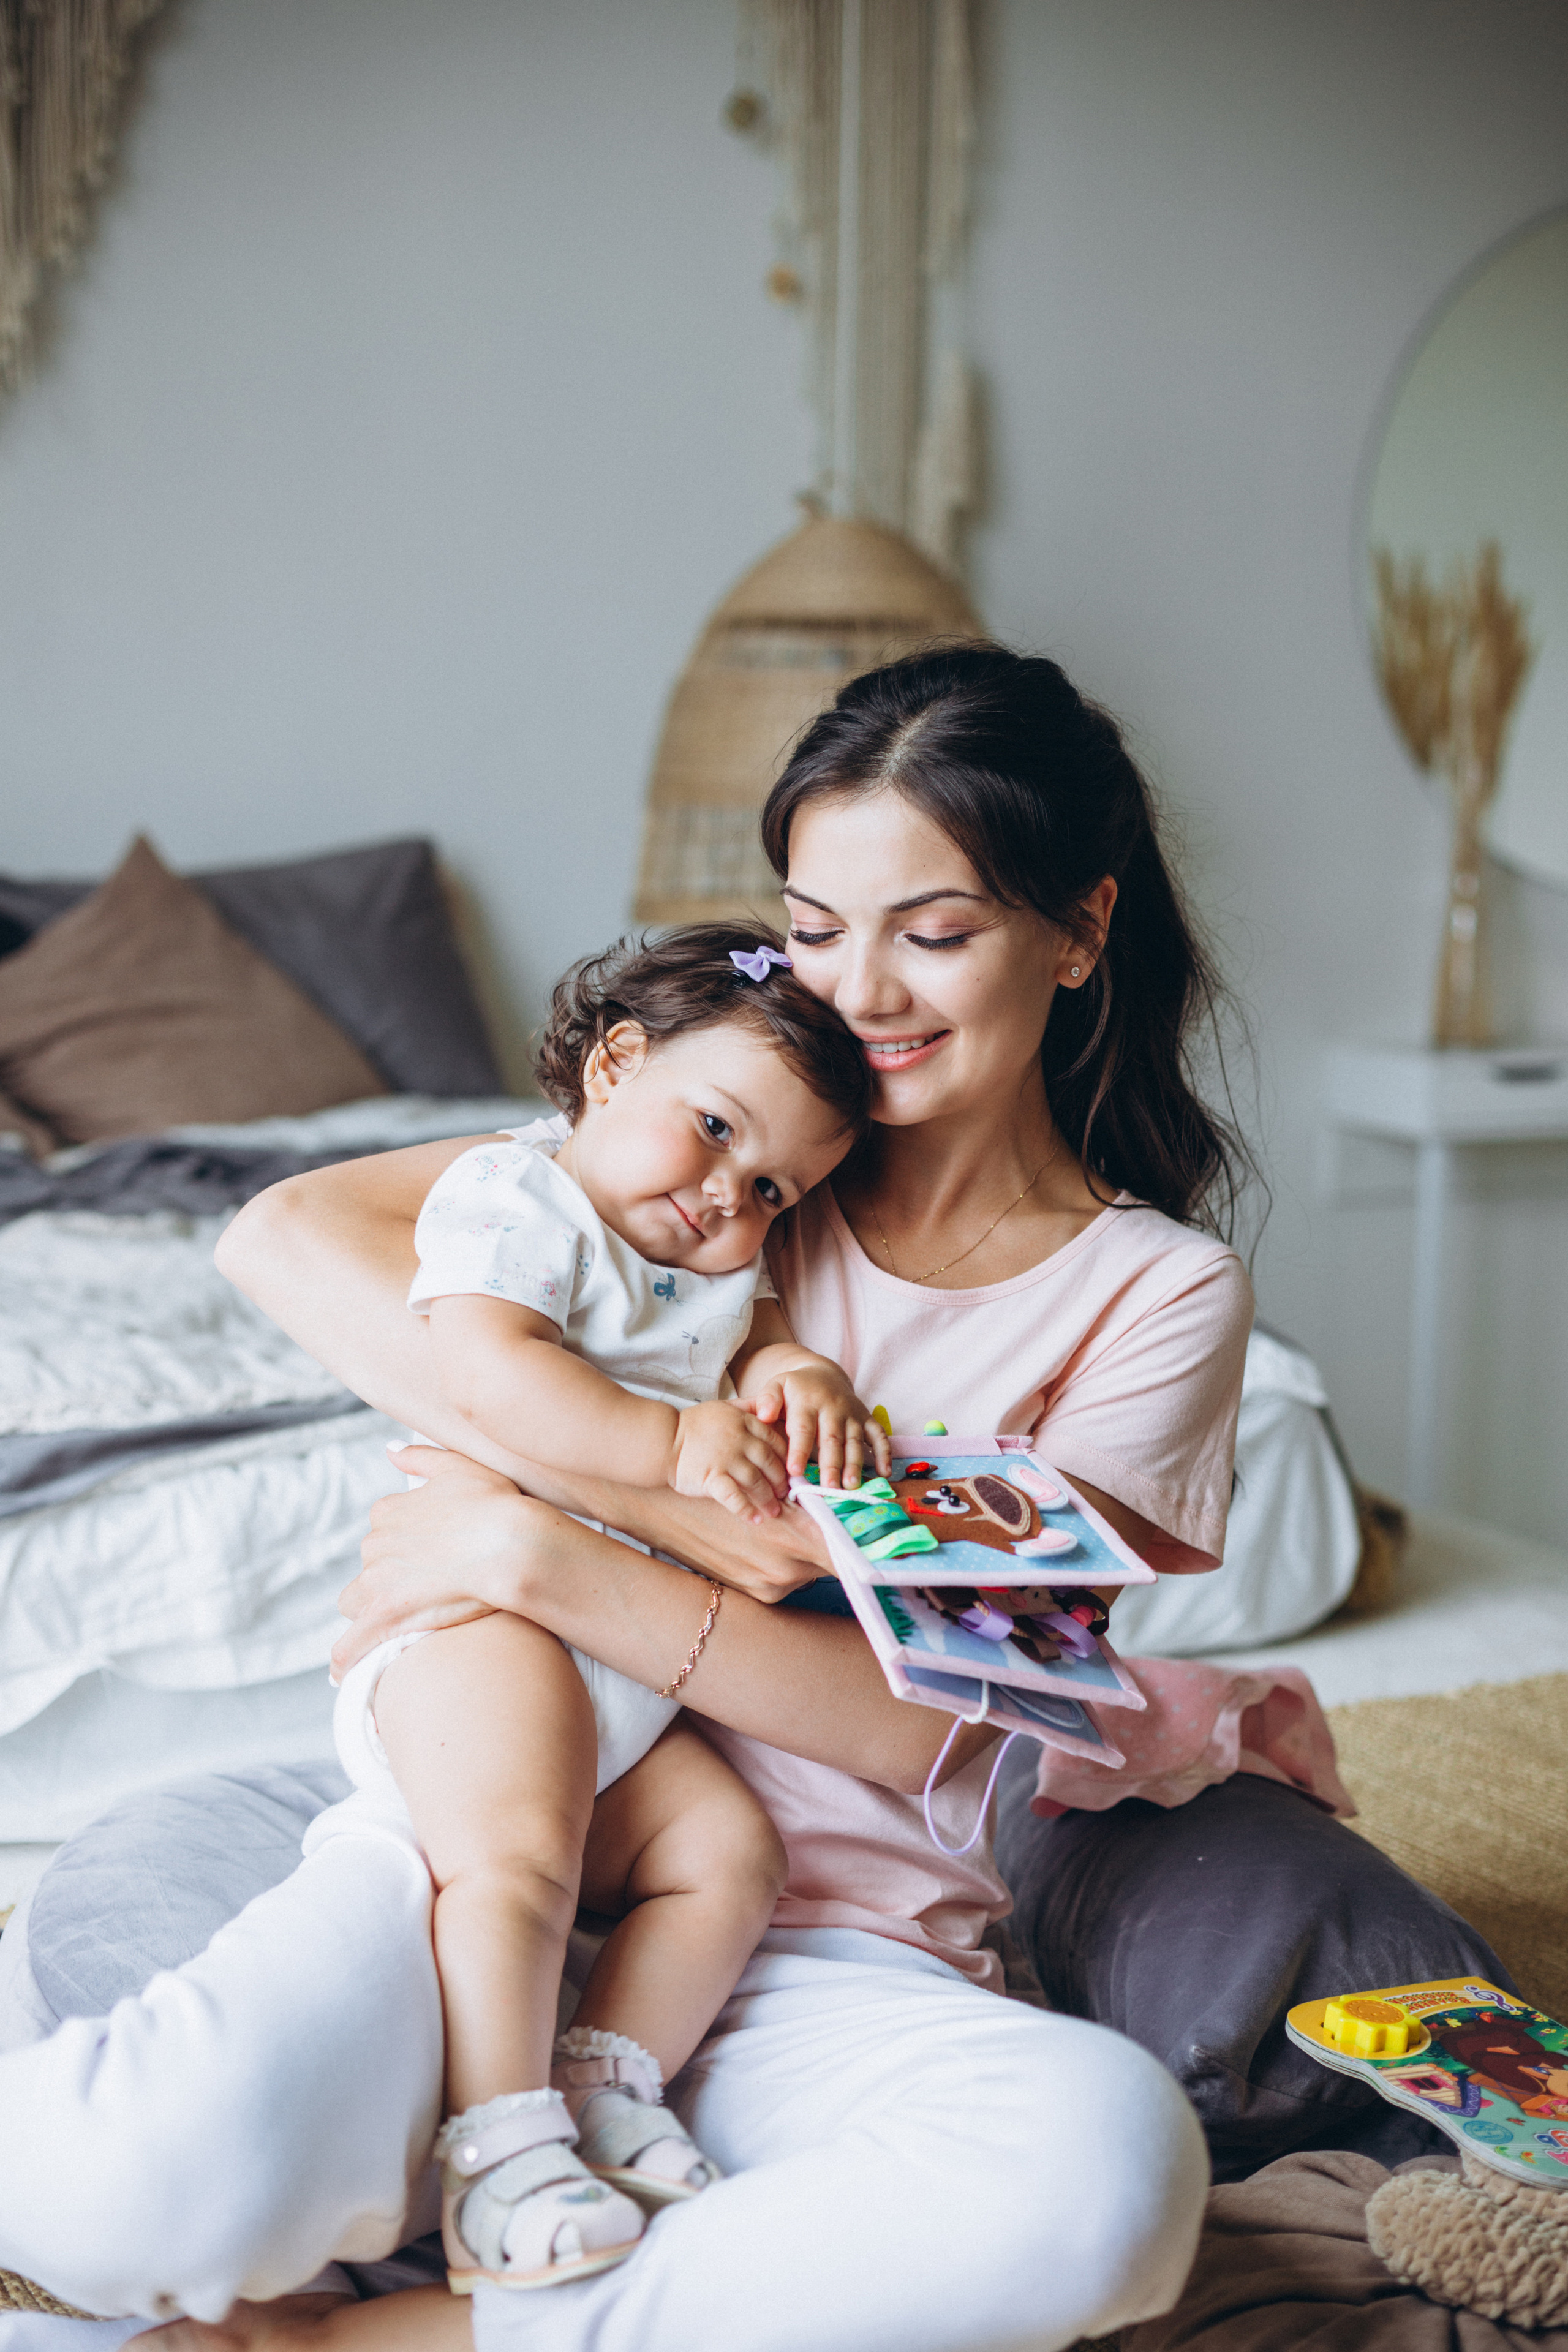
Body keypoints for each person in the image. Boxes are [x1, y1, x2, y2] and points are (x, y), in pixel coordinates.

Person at [0, 646, 1508, 2352]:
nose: (859, 992)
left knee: (1103, 2182)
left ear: (1079, 931)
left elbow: (932, 1728)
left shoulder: (1147, 1296)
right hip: (487, 1831)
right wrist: (656, 1503)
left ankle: (348, 2335)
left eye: (931, 932)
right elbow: (288, 1235)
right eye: (815, 928)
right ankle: (541, 2219)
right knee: (122, 2190)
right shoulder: (714, 1140)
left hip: (832, 1945)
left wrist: (535, 1548)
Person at [336, 923, 886, 2289]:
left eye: (771, 1187)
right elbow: (493, 1376)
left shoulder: (714, 1253)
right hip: (482, 1625)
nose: (726, 1197)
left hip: (610, 1656)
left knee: (728, 1855)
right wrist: (670, 1444)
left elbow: (748, 1343)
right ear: (614, 1065)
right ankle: (497, 2149)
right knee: (519, 1867)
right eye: (713, 1130)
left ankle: (605, 2082)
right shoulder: (514, 1199)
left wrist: (802, 1377)